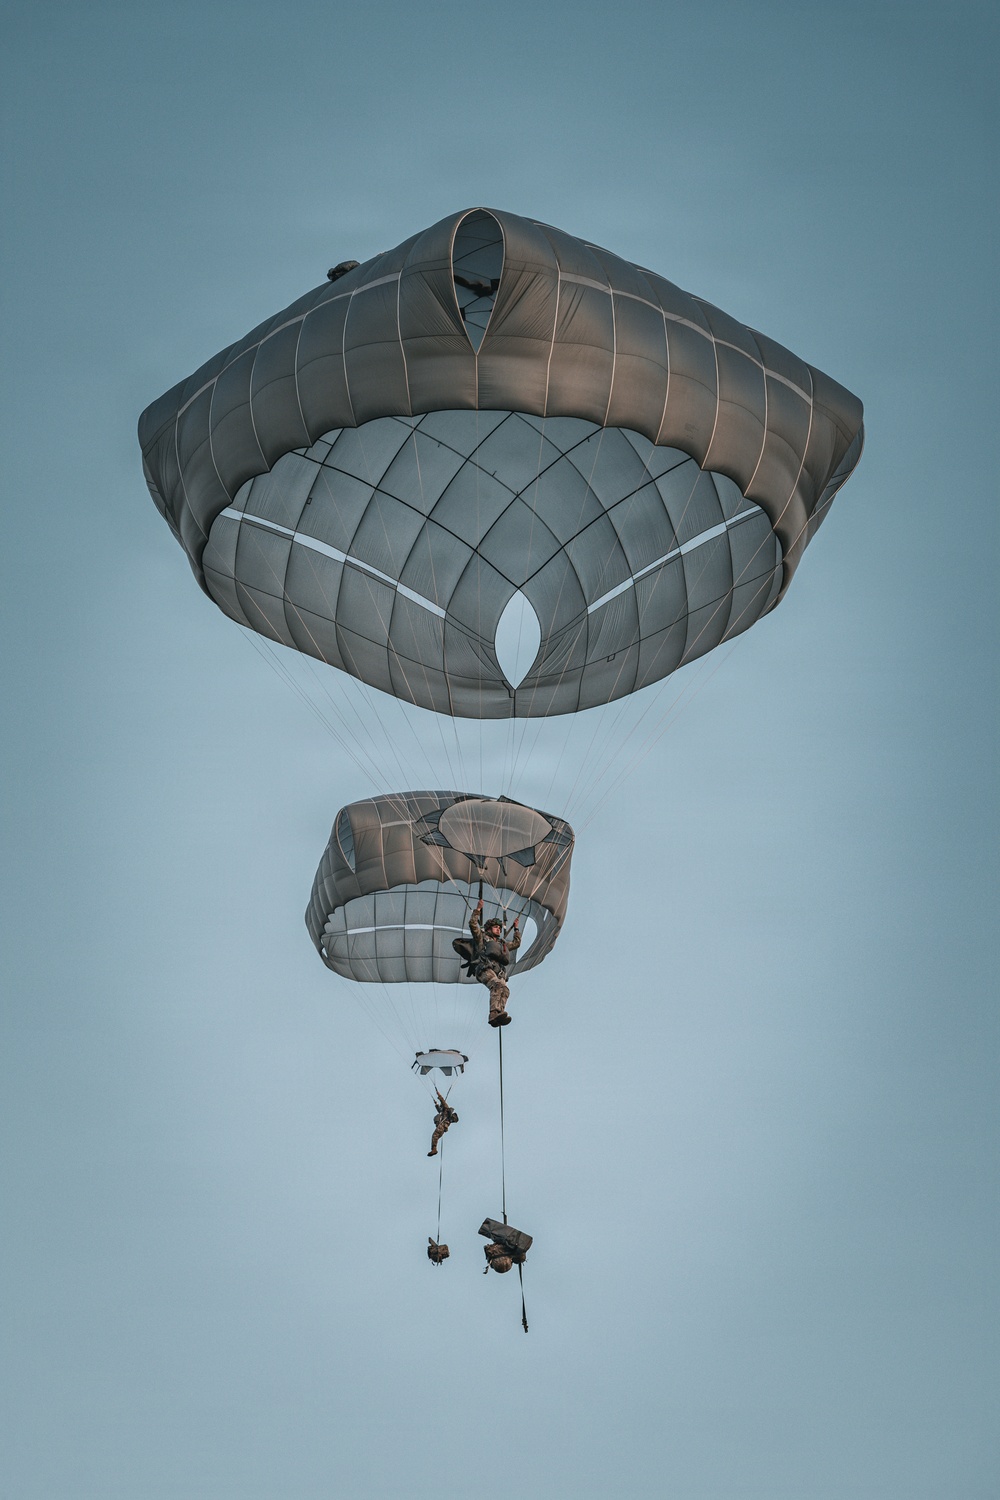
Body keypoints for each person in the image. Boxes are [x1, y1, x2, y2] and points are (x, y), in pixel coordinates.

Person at [454, 900, 521, 1027]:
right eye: (496, 927)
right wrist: (478, 910)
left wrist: (516, 929)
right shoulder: (482, 939)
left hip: (497, 971)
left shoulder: (502, 944)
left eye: (500, 928)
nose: (499, 929)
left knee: (505, 990)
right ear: (489, 928)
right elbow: (473, 924)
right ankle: (493, 1013)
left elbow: (517, 943)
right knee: (496, 985)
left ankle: (499, 1014)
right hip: (484, 968)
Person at [427, 1088, 458, 1156]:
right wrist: (436, 1104)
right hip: (442, 1129)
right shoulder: (446, 1114)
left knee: (434, 1136)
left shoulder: (447, 1110)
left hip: (441, 1126)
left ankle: (434, 1149)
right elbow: (440, 1110)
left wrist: (439, 1095)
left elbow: (443, 1102)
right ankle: (434, 1148)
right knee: (435, 1137)